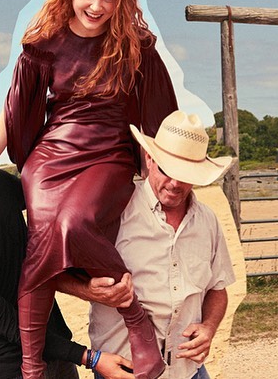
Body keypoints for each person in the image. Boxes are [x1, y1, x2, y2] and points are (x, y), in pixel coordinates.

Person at [0, 0, 178, 379]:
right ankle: (33, 367)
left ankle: (135, 319)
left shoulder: (137, 45)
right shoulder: (43, 43)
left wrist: (165, 170)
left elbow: (162, 119)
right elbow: (10, 117)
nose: (98, 6)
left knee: (73, 222)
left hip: (109, 153)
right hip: (50, 156)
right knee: (45, 232)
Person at [89, 110, 236, 379]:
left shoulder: (208, 222)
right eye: (167, 170)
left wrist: (209, 327)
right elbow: (57, 274)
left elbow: (218, 288)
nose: (175, 183)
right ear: (149, 158)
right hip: (124, 371)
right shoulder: (113, 211)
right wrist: (90, 290)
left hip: (187, 370)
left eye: (186, 174)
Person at [0, 158, 136, 378]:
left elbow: (52, 199)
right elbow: (8, 323)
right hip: (4, 362)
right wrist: (89, 357)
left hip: (56, 346)